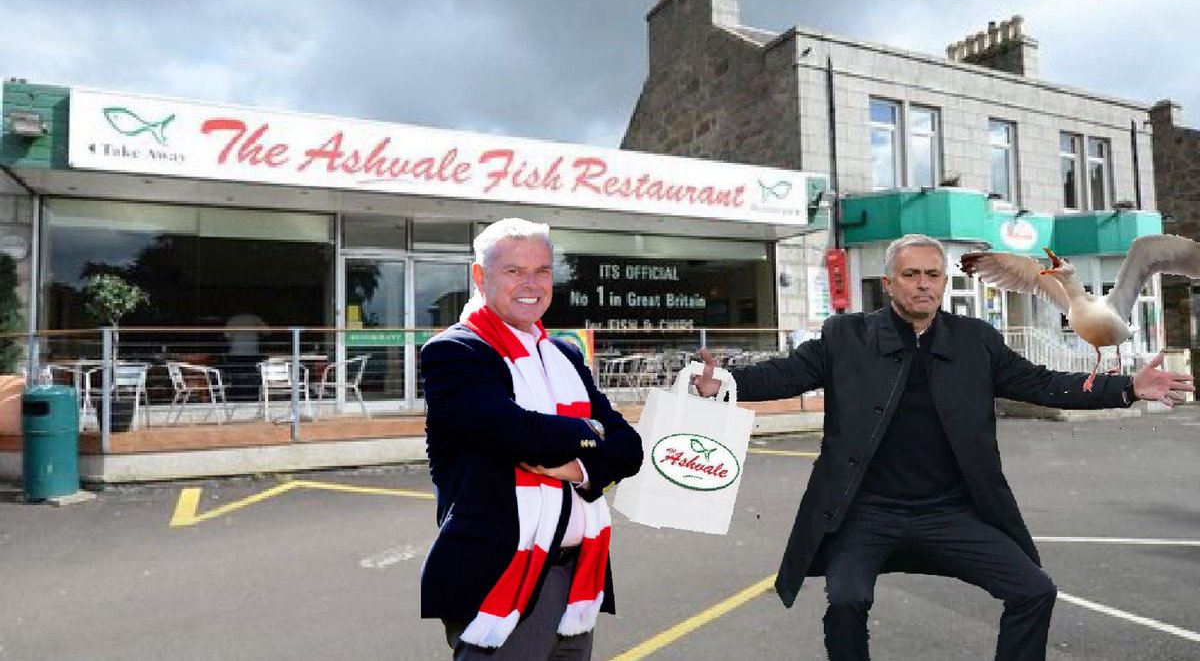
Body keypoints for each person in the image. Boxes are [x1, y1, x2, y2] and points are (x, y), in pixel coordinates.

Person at [692, 233, 1194, 661]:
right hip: (866, 511)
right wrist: (726, 384)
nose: (924, 283)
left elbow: (1041, 384)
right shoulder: (847, 336)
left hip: (953, 511)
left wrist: (1126, 387)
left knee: (1034, 591)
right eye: (911, 275)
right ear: (889, 284)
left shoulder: (976, 340)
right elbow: (787, 373)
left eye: (933, 274)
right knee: (845, 600)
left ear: (944, 281)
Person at [420, 218, 643, 660]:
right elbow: (520, 435)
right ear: (480, 277)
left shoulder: (563, 353)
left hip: (578, 574)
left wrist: (578, 465)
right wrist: (592, 433)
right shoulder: (455, 353)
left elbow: (629, 448)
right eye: (514, 270)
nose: (532, 283)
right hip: (502, 577)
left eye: (542, 270)